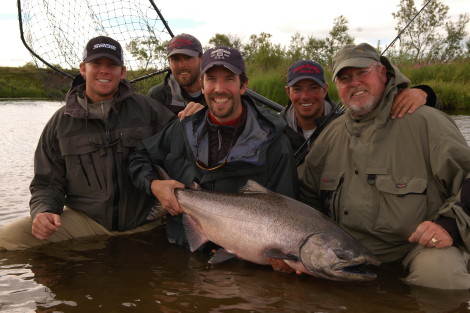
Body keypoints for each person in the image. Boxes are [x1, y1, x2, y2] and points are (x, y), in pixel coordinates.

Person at [298, 42, 470, 289]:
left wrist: (449, 227)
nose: (354, 82)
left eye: (362, 73)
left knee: (441, 278)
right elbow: (306, 195)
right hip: (347, 251)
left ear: (383, 74)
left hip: (419, 248)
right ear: (336, 88)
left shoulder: (426, 122)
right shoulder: (331, 134)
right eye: (345, 78)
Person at [0, 36, 176, 250]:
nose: (104, 71)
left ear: (123, 72)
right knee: (6, 241)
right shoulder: (59, 123)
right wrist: (44, 211)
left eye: (112, 65)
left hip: (147, 220)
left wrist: (194, 116)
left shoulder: (149, 110)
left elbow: (184, 150)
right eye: (96, 64)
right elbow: (46, 184)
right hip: (86, 221)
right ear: (83, 69)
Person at [128, 46, 298, 250]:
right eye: (211, 79)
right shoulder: (182, 128)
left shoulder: (275, 143)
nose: (219, 88)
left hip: (243, 262)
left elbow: (288, 218)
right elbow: (138, 156)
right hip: (183, 253)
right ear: (202, 85)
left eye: (229, 78)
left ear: (243, 85)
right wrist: (154, 185)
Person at [281, 59, 437, 166]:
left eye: (314, 88)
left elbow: (385, 116)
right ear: (288, 92)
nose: (306, 96)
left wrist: (425, 93)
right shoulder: (272, 129)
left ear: (325, 90)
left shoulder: (350, 121)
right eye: (298, 89)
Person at [148, 33, 206, 120]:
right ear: (169, 62)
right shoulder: (157, 96)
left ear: (201, 58)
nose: (182, 65)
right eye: (175, 59)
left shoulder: (217, 91)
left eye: (188, 57)